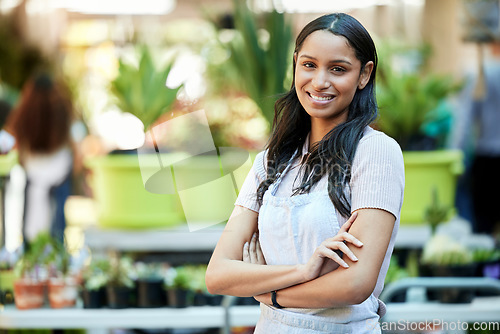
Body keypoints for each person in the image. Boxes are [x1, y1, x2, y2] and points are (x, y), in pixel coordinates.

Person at [206, 13, 405, 333]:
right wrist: (303, 270)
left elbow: (356, 282)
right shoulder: (271, 161)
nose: (320, 81)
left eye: (338, 69)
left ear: (364, 74)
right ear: (296, 64)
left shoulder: (375, 152)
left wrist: (267, 294)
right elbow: (218, 274)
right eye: (309, 65)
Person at [6, 73, 75, 243]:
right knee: (57, 234)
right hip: (58, 175)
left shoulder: (24, 114)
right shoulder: (61, 109)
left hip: (34, 176)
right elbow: (73, 147)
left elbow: (12, 143)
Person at [452, 41, 500, 236]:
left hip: (487, 159)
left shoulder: (481, 73)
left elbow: (465, 122)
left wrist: (457, 158)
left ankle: (488, 267)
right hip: (487, 157)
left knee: (483, 228)